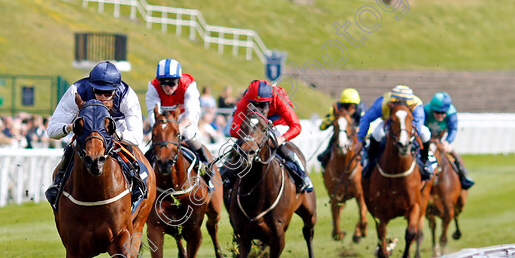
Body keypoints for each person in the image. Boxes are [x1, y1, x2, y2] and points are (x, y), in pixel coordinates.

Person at [44, 61, 145, 211]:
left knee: (138, 164)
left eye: (108, 93)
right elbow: (52, 130)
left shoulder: (127, 96)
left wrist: (114, 132)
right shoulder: (76, 91)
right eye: (98, 91)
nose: (102, 97)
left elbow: (136, 137)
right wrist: (71, 127)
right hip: (87, 134)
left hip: (117, 130)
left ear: (116, 90)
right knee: (71, 150)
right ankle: (58, 186)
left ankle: (138, 186)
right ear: (92, 87)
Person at [225, 80, 314, 194]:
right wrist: (250, 137)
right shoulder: (245, 100)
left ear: (270, 100)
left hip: (277, 122)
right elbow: (233, 129)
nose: (258, 107)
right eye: (254, 104)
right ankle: (228, 175)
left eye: (261, 105)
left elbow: (296, 126)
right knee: (240, 146)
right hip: (255, 125)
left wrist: (281, 138)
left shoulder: (279, 98)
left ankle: (302, 176)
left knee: (276, 143)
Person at [145, 58, 214, 189]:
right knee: (157, 140)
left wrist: (180, 127)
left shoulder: (189, 85)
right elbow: (153, 114)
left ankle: (206, 165)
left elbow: (192, 113)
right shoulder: (153, 87)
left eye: (171, 83)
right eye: (163, 83)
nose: (167, 87)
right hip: (163, 119)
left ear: (178, 80)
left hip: (183, 117)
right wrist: (160, 132)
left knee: (188, 134)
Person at [356, 85, 432, 182]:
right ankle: (370, 164)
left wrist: (406, 136)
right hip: (390, 123)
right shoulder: (382, 103)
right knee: (377, 133)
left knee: (425, 134)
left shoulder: (417, 106)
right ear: (391, 104)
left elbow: (417, 126)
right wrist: (360, 139)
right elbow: (366, 118)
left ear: (410, 106)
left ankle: (425, 162)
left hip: (408, 126)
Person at [424, 92, 474, 189]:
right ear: (432, 109)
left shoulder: (451, 113)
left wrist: (447, 142)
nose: (440, 116)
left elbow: (453, 129)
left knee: (452, 152)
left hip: (441, 139)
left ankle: (463, 174)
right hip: (426, 139)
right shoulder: (425, 110)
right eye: (437, 112)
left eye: (443, 113)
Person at [316, 88, 365, 168]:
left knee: (366, 151)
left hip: (357, 135)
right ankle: (325, 163)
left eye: (352, 105)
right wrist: (334, 119)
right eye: (346, 105)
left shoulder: (361, 109)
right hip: (340, 133)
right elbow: (322, 126)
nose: (350, 108)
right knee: (332, 145)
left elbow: (367, 125)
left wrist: (358, 131)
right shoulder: (336, 107)